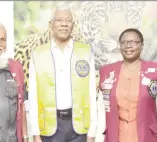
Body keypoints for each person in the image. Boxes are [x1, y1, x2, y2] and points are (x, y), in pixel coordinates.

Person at [27, 6, 99, 142]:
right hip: (49, 127)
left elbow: (91, 94)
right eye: (59, 20)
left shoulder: (85, 52)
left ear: (73, 25)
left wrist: (92, 132)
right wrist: (35, 134)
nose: (64, 24)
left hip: (79, 126)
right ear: (51, 25)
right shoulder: (38, 53)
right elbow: (33, 96)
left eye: (68, 20)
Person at [98, 28, 157, 142]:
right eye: (124, 42)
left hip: (146, 136)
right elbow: (102, 112)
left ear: (142, 45)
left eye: (134, 42)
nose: (128, 45)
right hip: (115, 136)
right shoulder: (107, 72)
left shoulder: (156, 72)